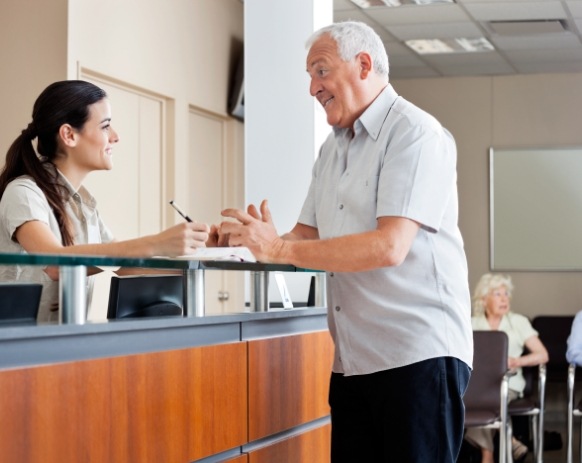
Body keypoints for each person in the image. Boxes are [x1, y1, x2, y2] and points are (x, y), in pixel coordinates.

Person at [219, 21, 473, 463]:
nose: (312, 88)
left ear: (363, 65)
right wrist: (247, 241)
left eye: (320, 71)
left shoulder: (415, 134)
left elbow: (388, 246)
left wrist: (278, 248)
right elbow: (303, 239)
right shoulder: (332, 149)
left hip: (417, 356)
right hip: (354, 362)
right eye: (309, 76)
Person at [0, 80, 212, 322]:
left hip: (61, 342)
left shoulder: (84, 204)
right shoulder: (23, 193)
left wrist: (204, 252)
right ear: (69, 135)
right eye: (105, 126)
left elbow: (124, 265)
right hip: (16, 349)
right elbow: (56, 263)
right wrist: (156, 243)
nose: (115, 136)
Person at [467, 273, 549, 463]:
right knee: (480, 398)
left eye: (506, 294)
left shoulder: (518, 322)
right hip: (476, 386)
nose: (504, 299)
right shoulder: (472, 323)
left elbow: (543, 355)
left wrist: (515, 361)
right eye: (497, 294)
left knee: (490, 399)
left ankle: (487, 455)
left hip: (508, 384)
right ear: (483, 298)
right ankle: (509, 439)